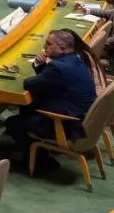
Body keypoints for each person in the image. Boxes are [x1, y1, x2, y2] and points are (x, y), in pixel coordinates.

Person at [5, 28, 98, 164]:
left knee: (12, 123)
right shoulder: (76, 59)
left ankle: (40, 160)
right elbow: (48, 79)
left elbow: (29, 83)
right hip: (81, 117)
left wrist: (39, 63)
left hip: (66, 124)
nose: (44, 47)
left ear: (62, 48)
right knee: (30, 106)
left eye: (49, 44)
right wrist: (41, 65)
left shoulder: (57, 68)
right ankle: (30, 150)